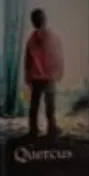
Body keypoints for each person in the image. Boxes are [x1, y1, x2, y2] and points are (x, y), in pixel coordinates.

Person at [23, 9, 63, 140]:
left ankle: (34, 131)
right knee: (49, 107)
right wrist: (59, 72)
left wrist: (27, 77)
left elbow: (27, 61)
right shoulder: (52, 37)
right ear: (44, 20)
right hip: (47, 78)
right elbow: (59, 56)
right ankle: (51, 130)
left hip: (37, 78)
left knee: (35, 107)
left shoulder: (31, 39)